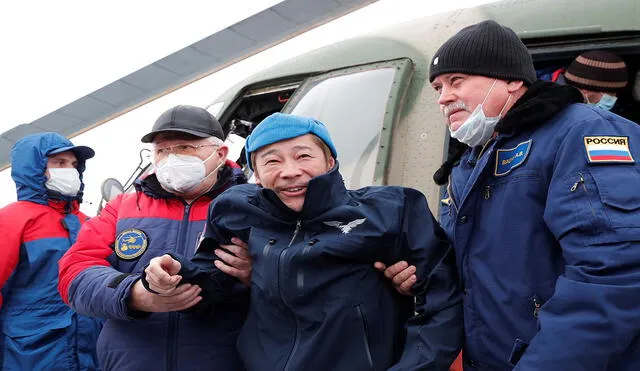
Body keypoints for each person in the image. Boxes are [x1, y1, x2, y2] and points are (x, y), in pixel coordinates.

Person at [382, 20, 640, 370]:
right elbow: (476, 265)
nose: (444, 97)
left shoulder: (581, 132)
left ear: (512, 80)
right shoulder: (470, 159)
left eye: (456, 81)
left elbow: (614, 274)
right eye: (438, 87)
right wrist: (420, 278)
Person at [143, 112, 464, 371]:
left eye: (303, 155)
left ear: (330, 162)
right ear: (254, 172)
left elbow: (441, 300)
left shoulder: (391, 210)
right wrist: (173, 274)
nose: (290, 171)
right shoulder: (234, 210)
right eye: (271, 161)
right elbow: (211, 280)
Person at [57, 105, 251, 371]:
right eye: (162, 150)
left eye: (185, 147)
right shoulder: (122, 207)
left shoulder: (251, 206)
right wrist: (134, 293)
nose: (171, 159)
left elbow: (300, 276)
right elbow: (74, 273)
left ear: (220, 154)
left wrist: (256, 274)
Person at [0, 132, 101, 370]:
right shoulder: (11, 220)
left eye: (74, 165)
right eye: (60, 163)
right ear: (34, 168)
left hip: (91, 350)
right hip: (30, 353)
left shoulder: (91, 223)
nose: (70, 171)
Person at [564, 49, 640, 123]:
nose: (613, 98)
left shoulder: (624, 117)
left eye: (614, 92)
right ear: (585, 90)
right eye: (608, 93)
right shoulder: (559, 115)